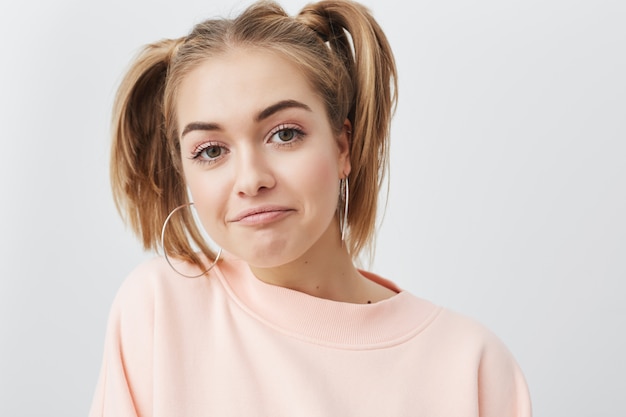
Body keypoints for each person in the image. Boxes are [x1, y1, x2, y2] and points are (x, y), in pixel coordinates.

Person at [89, 0, 532, 415]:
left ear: (343, 146)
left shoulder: (470, 365)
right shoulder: (159, 311)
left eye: (284, 134)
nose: (250, 179)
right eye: (210, 150)